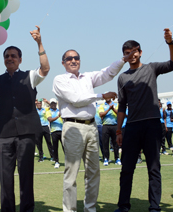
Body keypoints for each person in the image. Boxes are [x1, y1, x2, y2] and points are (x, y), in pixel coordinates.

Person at [52, 47, 137, 212]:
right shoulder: (59, 79)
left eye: (76, 57)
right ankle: (69, 210)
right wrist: (101, 96)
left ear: (80, 60)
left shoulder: (87, 77)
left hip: (91, 127)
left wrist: (123, 60)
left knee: (93, 173)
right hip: (73, 127)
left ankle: (90, 208)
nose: (73, 61)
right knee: (71, 173)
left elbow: (107, 73)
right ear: (63, 63)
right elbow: (75, 100)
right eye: (69, 59)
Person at [0, 26, 50, 212]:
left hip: (27, 133)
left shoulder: (30, 76)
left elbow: (45, 68)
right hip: (4, 134)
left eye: (13, 56)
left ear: (20, 59)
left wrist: (39, 43)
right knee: (5, 178)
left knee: (26, 176)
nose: (10, 58)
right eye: (7, 56)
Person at [115, 29, 173, 212]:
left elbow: (172, 63)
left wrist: (170, 43)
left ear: (140, 52)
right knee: (126, 169)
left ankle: (154, 207)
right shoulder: (122, 77)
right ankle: (123, 206)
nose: (131, 55)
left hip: (152, 124)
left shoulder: (152, 68)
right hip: (131, 127)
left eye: (134, 51)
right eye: (127, 53)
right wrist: (118, 131)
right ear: (124, 56)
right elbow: (122, 107)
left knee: (153, 168)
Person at [99, 99, 121, 166]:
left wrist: (113, 109)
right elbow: (101, 114)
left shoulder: (116, 104)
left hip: (114, 125)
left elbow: (119, 113)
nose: (107, 98)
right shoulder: (102, 105)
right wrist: (109, 109)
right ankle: (106, 159)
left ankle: (117, 158)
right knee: (105, 143)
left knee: (115, 143)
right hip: (105, 126)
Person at [46, 98, 64, 169]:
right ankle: (56, 162)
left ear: (56, 104)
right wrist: (58, 116)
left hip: (62, 131)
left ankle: (68, 161)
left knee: (65, 147)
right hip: (54, 132)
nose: (53, 105)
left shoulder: (59, 110)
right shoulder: (48, 111)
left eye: (54, 103)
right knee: (55, 147)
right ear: (50, 104)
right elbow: (50, 120)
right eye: (52, 103)